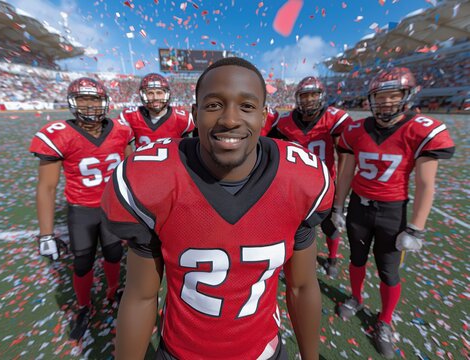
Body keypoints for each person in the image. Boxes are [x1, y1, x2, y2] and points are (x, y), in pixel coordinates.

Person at [101, 57, 335, 359]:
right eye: (213, 105)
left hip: (263, 351)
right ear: (195, 114)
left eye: (247, 107)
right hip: (180, 351)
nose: (229, 120)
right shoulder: (153, 181)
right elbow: (141, 296)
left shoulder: (300, 181)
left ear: (264, 116)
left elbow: (302, 287)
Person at [332, 67, 455, 358]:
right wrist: (338, 205)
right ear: (371, 99)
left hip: (392, 211)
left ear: (407, 95)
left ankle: (385, 321)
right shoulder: (357, 129)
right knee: (357, 259)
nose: (386, 102)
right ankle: (356, 298)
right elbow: (346, 171)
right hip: (360, 208)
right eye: (380, 96)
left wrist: (416, 227)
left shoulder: (420, 128)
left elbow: (426, 184)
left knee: (389, 271)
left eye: (393, 95)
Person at [30, 77, 134, 341]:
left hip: (113, 207)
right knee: (82, 262)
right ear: (72, 102)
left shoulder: (121, 130)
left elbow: (132, 170)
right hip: (82, 210)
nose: (89, 106)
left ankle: (113, 291)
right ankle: (84, 307)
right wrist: (46, 234)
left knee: (113, 254)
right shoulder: (60, 134)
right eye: (83, 99)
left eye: (95, 99)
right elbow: (47, 188)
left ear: (105, 102)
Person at [268, 76, 353, 278]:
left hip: (325, 184)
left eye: (313, 95)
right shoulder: (286, 122)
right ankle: (289, 258)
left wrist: (340, 196)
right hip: (296, 186)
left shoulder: (334, 119)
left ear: (321, 96)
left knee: (330, 225)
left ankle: (331, 258)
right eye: (305, 95)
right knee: (292, 226)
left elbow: (344, 155)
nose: (309, 100)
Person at [120, 73, 194, 147]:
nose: (155, 97)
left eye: (159, 93)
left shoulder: (182, 118)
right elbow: (125, 147)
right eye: (150, 93)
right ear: (143, 95)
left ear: (167, 94)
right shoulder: (132, 116)